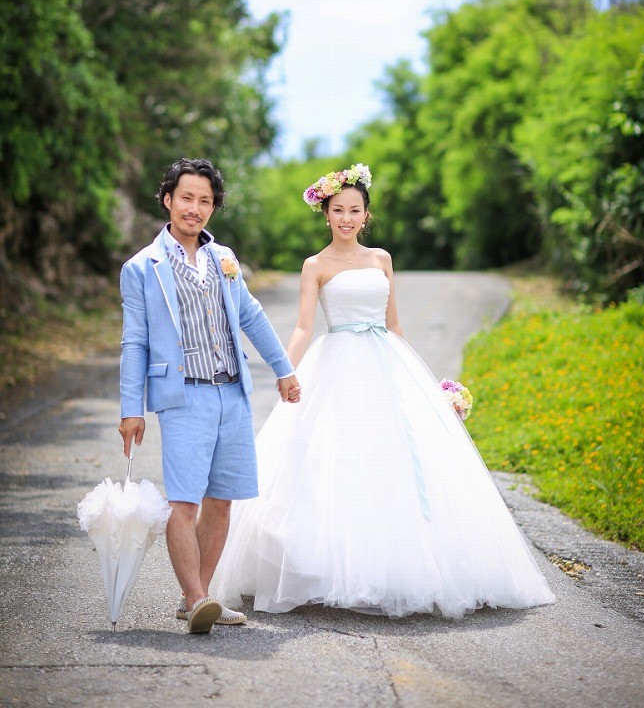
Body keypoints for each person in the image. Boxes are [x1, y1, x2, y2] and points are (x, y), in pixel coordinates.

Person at [211, 163, 555, 618]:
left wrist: (422, 386)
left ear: (365, 215)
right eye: (338, 211)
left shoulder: (381, 260)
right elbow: (302, 325)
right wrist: (285, 371)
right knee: (333, 459)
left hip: (385, 361)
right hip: (335, 363)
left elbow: (394, 326)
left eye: (355, 210)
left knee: (393, 460)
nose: (347, 219)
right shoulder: (316, 265)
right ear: (326, 214)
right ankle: (328, 564)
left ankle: (401, 564)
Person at [118, 158, 301, 633]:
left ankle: (195, 600)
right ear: (168, 200)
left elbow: (253, 316)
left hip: (232, 393)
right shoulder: (142, 267)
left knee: (222, 500)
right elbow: (134, 341)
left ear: (213, 207)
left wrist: (283, 370)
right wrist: (130, 410)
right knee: (184, 501)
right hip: (182, 396)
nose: (194, 209)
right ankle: (198, 598)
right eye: (186, 198)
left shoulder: (225, 258)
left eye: (204, 201)